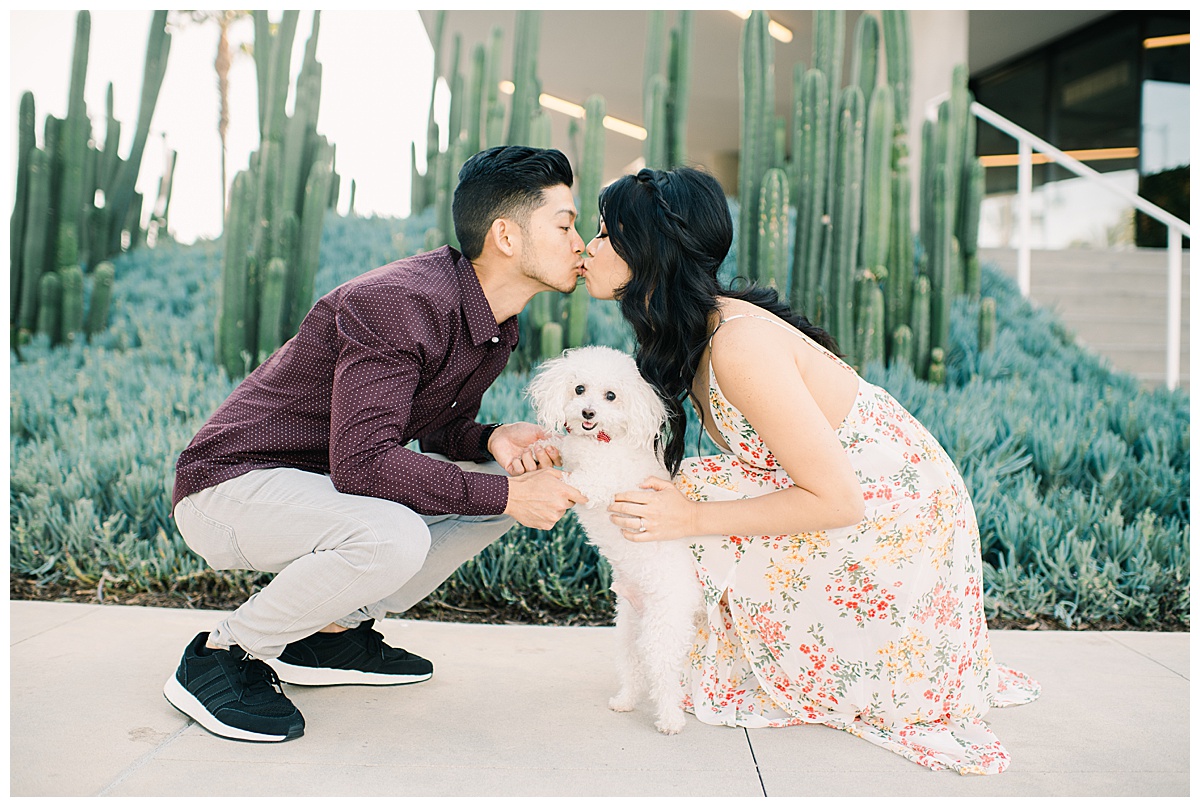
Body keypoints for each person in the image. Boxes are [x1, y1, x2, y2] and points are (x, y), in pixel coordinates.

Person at [576, 165, 1040, 775]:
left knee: (683, 508)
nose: (589, 245)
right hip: (844, 493)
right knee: (672, 496)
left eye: (607, 234)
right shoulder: (685, 330)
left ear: (648, 254)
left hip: (892, 520)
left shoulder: (738, 345)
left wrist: (689, 517)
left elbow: (840, 500)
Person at [164, 146, 586, 743]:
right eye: (565, 225)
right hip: (230, 487)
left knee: (500, 485)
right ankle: (224, 653)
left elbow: (435, 429)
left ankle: (327, 635)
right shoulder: (398, 303)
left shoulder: (493, 321)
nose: (580, 243)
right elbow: (363, 463)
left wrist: (492, 437)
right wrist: (505, 493)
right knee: (404, 531)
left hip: (317, 486)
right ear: (506, 238)